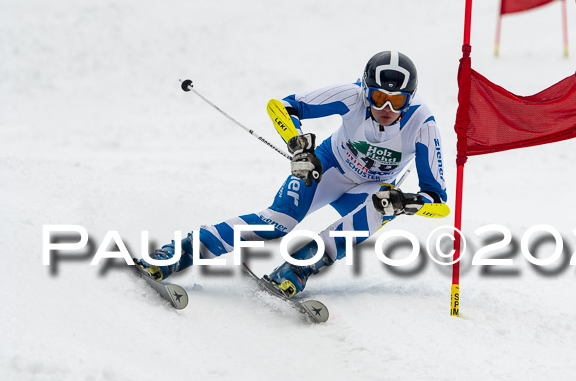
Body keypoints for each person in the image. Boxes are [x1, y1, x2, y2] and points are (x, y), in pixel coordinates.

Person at [137, 50, 447, 297]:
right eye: (379, 98)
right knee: (278, 222)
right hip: (328, 167)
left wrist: (406, 201)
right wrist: (300, 150)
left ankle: (297, 270)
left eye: (398, 100)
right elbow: (282, 106)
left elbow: (438, 201)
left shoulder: (422, 124)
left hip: (370, 188)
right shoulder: (351, 95)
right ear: (366, 90)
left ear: (411, 98)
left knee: (381, 207)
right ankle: (177, 253)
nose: (388, 108)